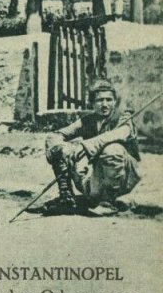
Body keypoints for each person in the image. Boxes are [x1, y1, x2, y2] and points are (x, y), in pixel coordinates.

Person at [43, 79, 141, 215]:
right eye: (100, 100)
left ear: (114, 101)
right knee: (60, 147)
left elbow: (121, 133)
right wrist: (64, 150)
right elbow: (54, 136)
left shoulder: (123, 119)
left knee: (112, 149)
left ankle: (109, 203)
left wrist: (84, 146)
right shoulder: (87, 121)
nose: (105, 104)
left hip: (124, 178)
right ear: (92, 103)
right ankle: (66, 196)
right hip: (95, 176)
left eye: (109, 100)